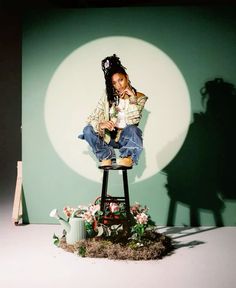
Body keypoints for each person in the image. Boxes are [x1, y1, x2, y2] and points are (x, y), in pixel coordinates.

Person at [79, 54, 148, 168]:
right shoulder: (108, 96)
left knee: (134, 129)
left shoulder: (139, 97)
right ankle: (107, 155)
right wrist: (101, 125)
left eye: (120, 80)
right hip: (107, 138)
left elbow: (133, 121)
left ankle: (127, 156)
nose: (118, 85)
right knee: (87, 130)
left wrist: (131, 98)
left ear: (126, 77)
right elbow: (92, 117)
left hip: (124, 138)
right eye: (114, 83)